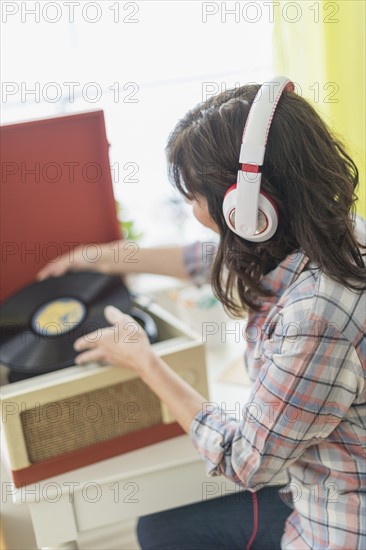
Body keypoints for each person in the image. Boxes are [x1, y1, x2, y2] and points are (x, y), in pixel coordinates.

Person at [38, 77, 366, 550]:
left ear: (246, 208)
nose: (192, 208)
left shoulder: (314, 319)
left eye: (194, 197)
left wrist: (144, 362)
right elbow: (205, 259)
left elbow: (243, 462)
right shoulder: (339, 233)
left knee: (159, 532)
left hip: (335, 527)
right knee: (159, 528)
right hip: (316, 479)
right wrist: (104, 257)